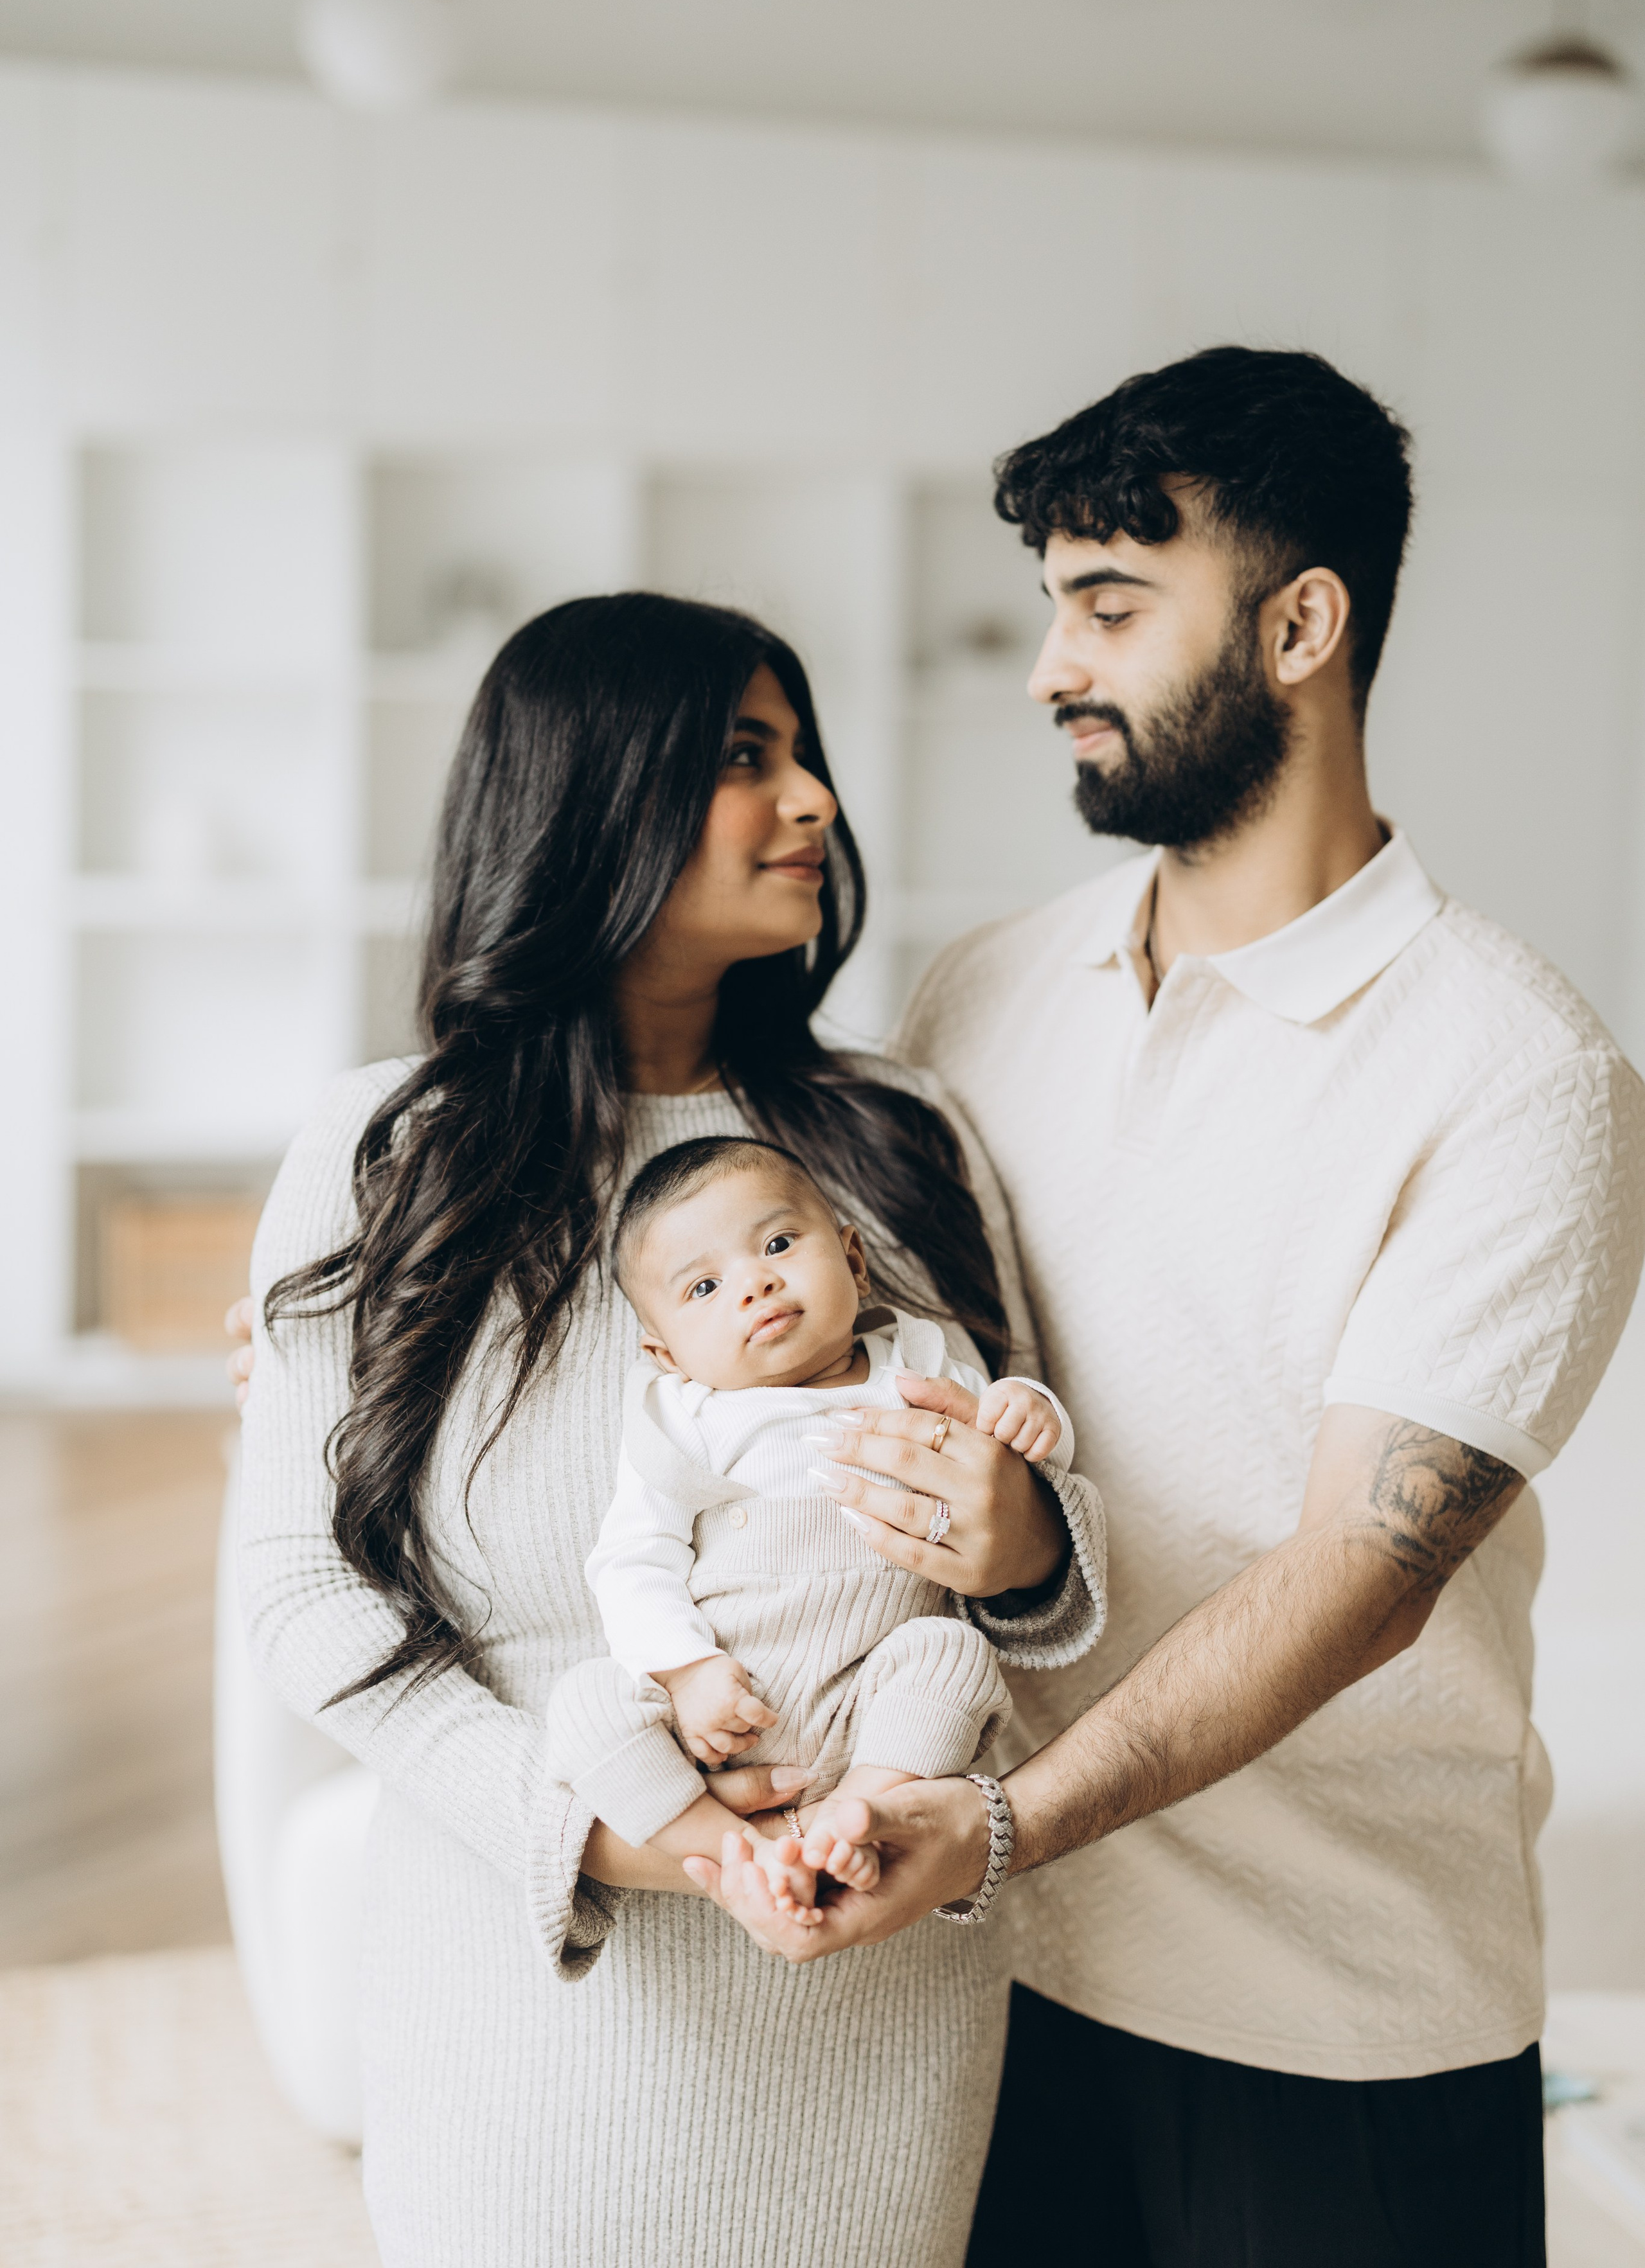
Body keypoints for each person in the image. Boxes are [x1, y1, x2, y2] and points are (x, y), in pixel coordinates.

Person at [691, 348, 1645, 2268]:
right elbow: (775, 1264)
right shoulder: (986, 990)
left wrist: (1010, 1820)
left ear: (1303, 623)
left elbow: (1357, 1575)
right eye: (1052, 602)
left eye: (1112, 604)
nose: (1053, 663)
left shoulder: (1515, 1065)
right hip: (998, 1976)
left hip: (1340, 2015)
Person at [233, 593, 1105, 2268]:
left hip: (872, 1991)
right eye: (742, 758)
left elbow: (1055, 1555)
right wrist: (605, 1835)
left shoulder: (903, 1139)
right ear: (588, 793)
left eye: (806, 757)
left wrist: (1023, 1545)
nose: (815, 804)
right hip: (528, 1978)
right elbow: (303, 1594)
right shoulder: (385, 1155)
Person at [542, 1133, 1081, 1919]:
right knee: (585, 1706)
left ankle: (854, 1817)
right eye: (703, 1289)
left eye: (779, 1243)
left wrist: (1034, 1414)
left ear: (854, 1261)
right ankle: (736, 1851)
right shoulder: (687, 1420)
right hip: (719, 1714)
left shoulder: (921, 1373)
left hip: (874, 1699)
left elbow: (1030, 1469)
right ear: (666, 1354)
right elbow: (630, 1560)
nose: (755, 1284)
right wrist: (686, 1673)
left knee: (951, 1656)